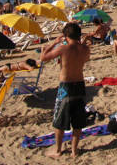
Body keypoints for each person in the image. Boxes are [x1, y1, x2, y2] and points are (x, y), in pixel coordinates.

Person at [40, 23, 90, 158]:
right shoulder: (85, 49)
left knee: (60, 121)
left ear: (66, 35)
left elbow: (43, 57)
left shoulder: (63, 48)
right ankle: (74, 150)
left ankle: (58, 150)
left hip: (66, 86)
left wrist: (53, 43)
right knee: (78, 121)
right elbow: (85, 60)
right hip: (79, 84)